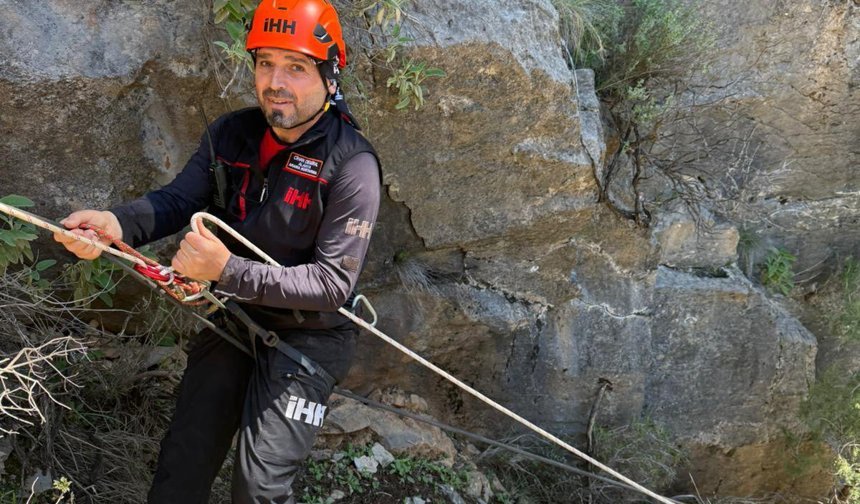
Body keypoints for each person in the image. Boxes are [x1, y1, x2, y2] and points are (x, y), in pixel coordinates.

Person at [53, 0, 381, 502]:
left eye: (296, 67)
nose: (276, 81)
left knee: (259, 488)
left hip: (310, 339)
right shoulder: (233, 134)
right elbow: (178, 201)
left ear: (330, 76)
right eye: (266, 63)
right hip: (237, 320)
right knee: (182, 463)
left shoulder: (351, 164)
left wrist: (224, 269)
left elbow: (332, 285)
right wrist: (114, 224)